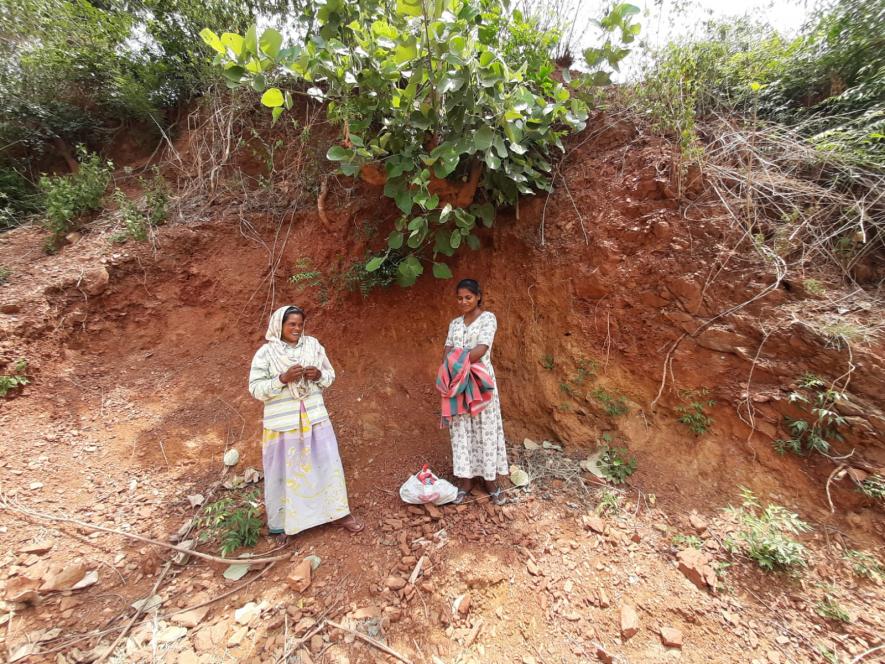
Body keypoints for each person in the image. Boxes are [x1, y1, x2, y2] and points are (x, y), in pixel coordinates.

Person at [248, 305, 363, 541]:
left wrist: (318, 375)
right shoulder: (265, 353)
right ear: (279, 325)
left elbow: (330, 376)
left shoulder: (313, 346)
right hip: (282, 424)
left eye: (300, 324)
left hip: (314, 417)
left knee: (326, 464)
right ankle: (284, 524)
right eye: (291, 324)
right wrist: (282, 379)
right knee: (285, 472)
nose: (297, 329)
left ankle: (338, 513)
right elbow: (256, 389)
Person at [442, 279, 509, 505]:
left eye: (468, 297)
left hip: (481, 385)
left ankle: (490, 482)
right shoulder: (454, 324)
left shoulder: (488, 319)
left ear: (478, 296)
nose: (463, 302)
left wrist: (455, 362)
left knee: (485, 428)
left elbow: (481, 350)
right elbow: (447, 350)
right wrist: (455, 365)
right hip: (458, 385)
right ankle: (466, 481)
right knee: (462, 429)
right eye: (460, 298)